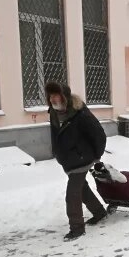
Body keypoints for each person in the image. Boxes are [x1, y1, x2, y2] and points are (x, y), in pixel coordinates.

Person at [45, 81, 107, 242]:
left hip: (83, 158)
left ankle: (77, 228)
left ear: (64, 96)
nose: (53, 99)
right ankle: (99, 212)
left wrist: (96, 155)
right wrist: (57, 153)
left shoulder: (79, 113)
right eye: (51, 96)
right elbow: (55, 135)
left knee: (72, 194)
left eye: (56, 96)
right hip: (68, 159)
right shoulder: (53, 112)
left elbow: (99, 134)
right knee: (82, 188)